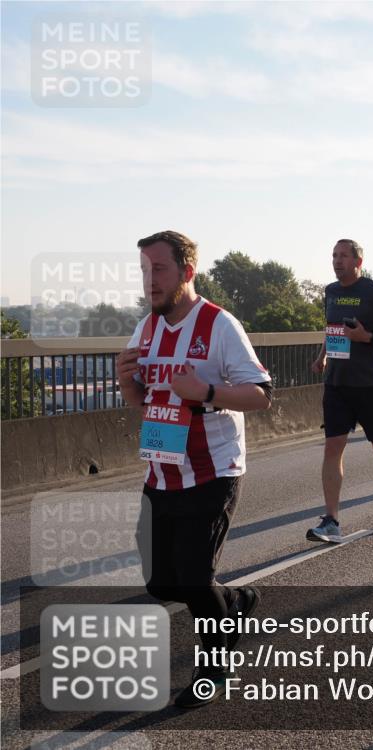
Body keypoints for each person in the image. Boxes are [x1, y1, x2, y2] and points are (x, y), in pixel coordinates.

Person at [117, 230, 273, 709]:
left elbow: (261, 394)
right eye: (144, 271)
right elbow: (146, 405)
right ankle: (236, 603)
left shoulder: (219, 326)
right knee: (160, 583)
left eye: (159, 269)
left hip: (213, 469)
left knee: (191, 578)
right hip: (162, 470)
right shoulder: (146, 329)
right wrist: (128, 385)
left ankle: (214, 665)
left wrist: (204, 392)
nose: (150, 281)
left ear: (187, 272)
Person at [307, 239, 373, 544]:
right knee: (333, 446)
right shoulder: (330, 291)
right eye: (333, 255)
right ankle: (331, 520)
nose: (336, 260)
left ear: (358, 261)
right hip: (337, 382)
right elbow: (333, 330)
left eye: (343, 256)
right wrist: (322, 356)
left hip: (369, 382)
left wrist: (367, 335)